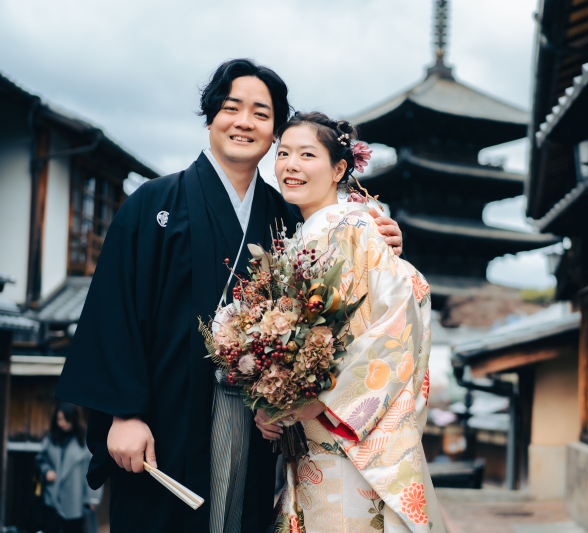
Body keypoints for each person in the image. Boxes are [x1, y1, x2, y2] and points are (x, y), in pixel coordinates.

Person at [55, 59, 403, 533]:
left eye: (261, 114)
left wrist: (378, 235)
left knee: (246, 517)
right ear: (211, 116)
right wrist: (123, 414)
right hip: (165, 416)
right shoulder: (154, 205)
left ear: (274, 131)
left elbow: (340, 290)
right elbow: (115, 312)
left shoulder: (288, 218)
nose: (244, 122)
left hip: (258, 415)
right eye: (231, 107)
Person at [253, 112, 444, 533]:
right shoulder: (298, 236)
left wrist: (317, 402)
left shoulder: (359, 225)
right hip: (307, 436)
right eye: (283, 153)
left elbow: (399, 321)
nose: (291, 165)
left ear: (340, 168)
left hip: (344, 434)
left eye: (307, 154)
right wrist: (274, 403)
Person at [35, 402, 103, 533]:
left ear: (74, 418)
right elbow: (41, 459)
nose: (63, 423)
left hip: (76, 498)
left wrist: (92, 498)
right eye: (59, 419)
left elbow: (95, 470)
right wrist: (46, 470)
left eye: (66, 418)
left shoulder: (85, 440)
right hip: (52, 497)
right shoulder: (51, 438)